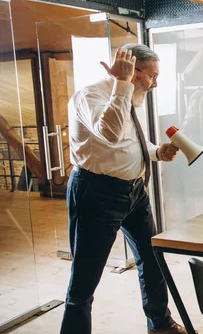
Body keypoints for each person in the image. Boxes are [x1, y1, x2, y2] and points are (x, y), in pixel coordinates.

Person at [61, 44, 194, 334]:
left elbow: (127, 142)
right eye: (153, 76)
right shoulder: (90, 96)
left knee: (152, 258)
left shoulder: (128, 98)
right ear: (134, 72)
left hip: (135, 193)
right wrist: (121, 84)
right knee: (85, 278)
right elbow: (108, 134)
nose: (156, 83)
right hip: (96, 194)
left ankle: (159, 325)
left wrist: (157, 151)